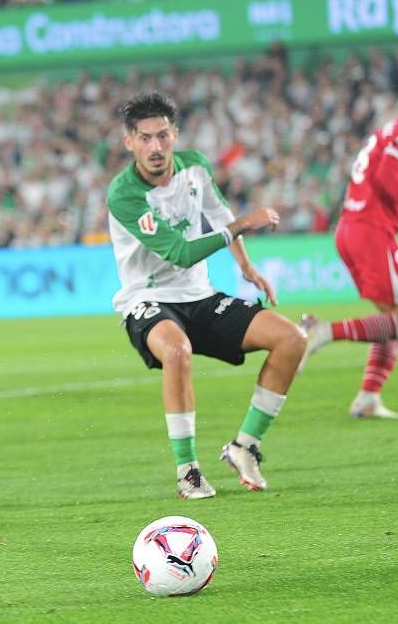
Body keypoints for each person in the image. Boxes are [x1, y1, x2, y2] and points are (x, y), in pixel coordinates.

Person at [107, 92, 306, 499]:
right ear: (130, 143)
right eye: (144, 138)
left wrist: (247, 268)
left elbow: (218, 216)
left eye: (162, 136)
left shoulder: (195, 166)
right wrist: (245, 225)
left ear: (175, 135)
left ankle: (245, 446)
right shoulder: (124, 194)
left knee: (291, 339)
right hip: (147, 298)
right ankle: (189, 471)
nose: (155, 147)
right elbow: (180, 253)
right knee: (176, 351)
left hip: (199, 294)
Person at [300, 68, 398, 418]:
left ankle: (368, 397)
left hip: (352, 228)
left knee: (392, 319)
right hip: (370, 231)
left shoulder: (396, 127)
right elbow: (386, 175)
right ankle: (323, 331)